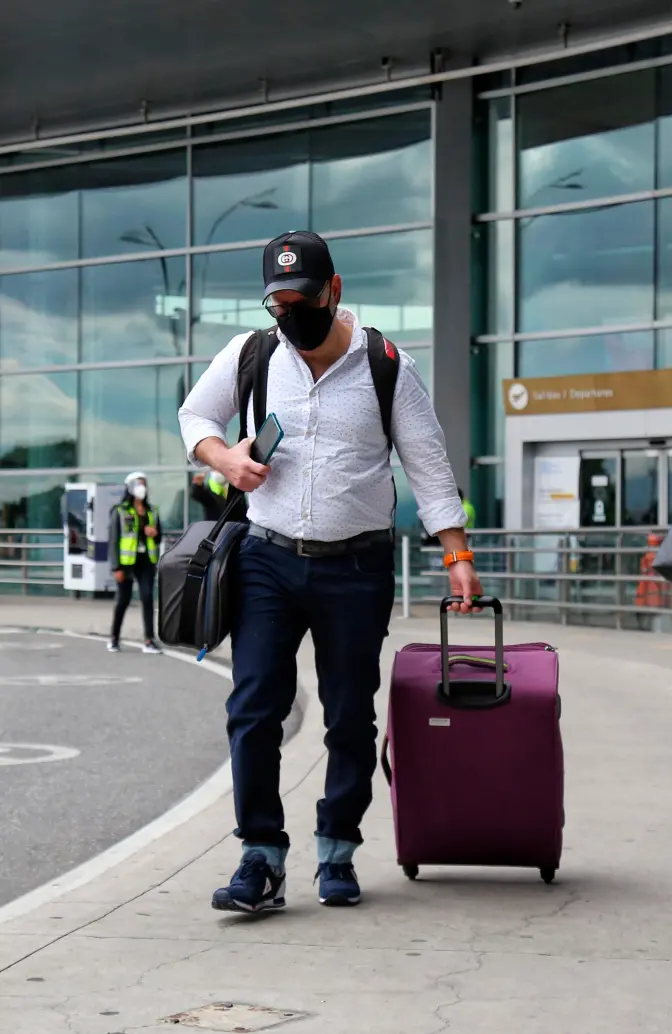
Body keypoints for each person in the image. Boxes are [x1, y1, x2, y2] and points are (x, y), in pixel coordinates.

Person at [178, 230, 483, 914]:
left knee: (349, 716)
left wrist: (457, 554)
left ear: (334, 290)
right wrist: (224, 458)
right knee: (254, 708)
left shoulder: (386, 365)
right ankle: (261, 856)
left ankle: (337, 848)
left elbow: (429, 465)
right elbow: (195, 414)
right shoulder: (253, 353)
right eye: (278, 305)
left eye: (303, 300)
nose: (291, 316)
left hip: (357, 567)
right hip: (266, 558)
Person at [108, 471, 163, 655]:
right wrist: (116, 566)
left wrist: (154, 534)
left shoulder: (152, 510)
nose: (142, 487)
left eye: (144, 484)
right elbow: (113, 540)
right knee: (123, 600)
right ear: (130, 487)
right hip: (126, 562)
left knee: (147, 597)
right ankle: (114, 638)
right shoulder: (120, 511)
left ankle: (149, 640)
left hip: (146, 560)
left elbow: (159, 537)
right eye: (138, 484)